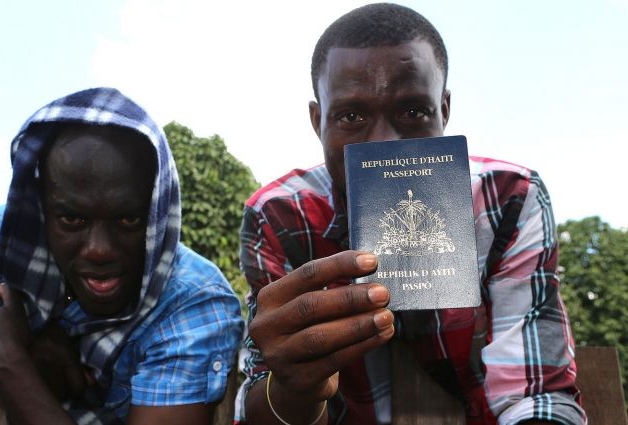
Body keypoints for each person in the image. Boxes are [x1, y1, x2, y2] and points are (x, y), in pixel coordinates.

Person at [236, 4, 585, 425]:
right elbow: (263, 400)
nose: (383, 144)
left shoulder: (509, 198)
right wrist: (294, 388)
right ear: (317, 120)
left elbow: (535, 394)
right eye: (351, 116)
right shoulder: (278, 218)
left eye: (413, 112)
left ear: (445, 109)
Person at [0, 87, 244, 425]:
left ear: (158, 213)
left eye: (128, 219)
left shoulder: (193, 304)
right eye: (72, 219)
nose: (99, 249)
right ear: (43, 211)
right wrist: (25, 346)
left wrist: (9, 366)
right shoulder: (3, 242)